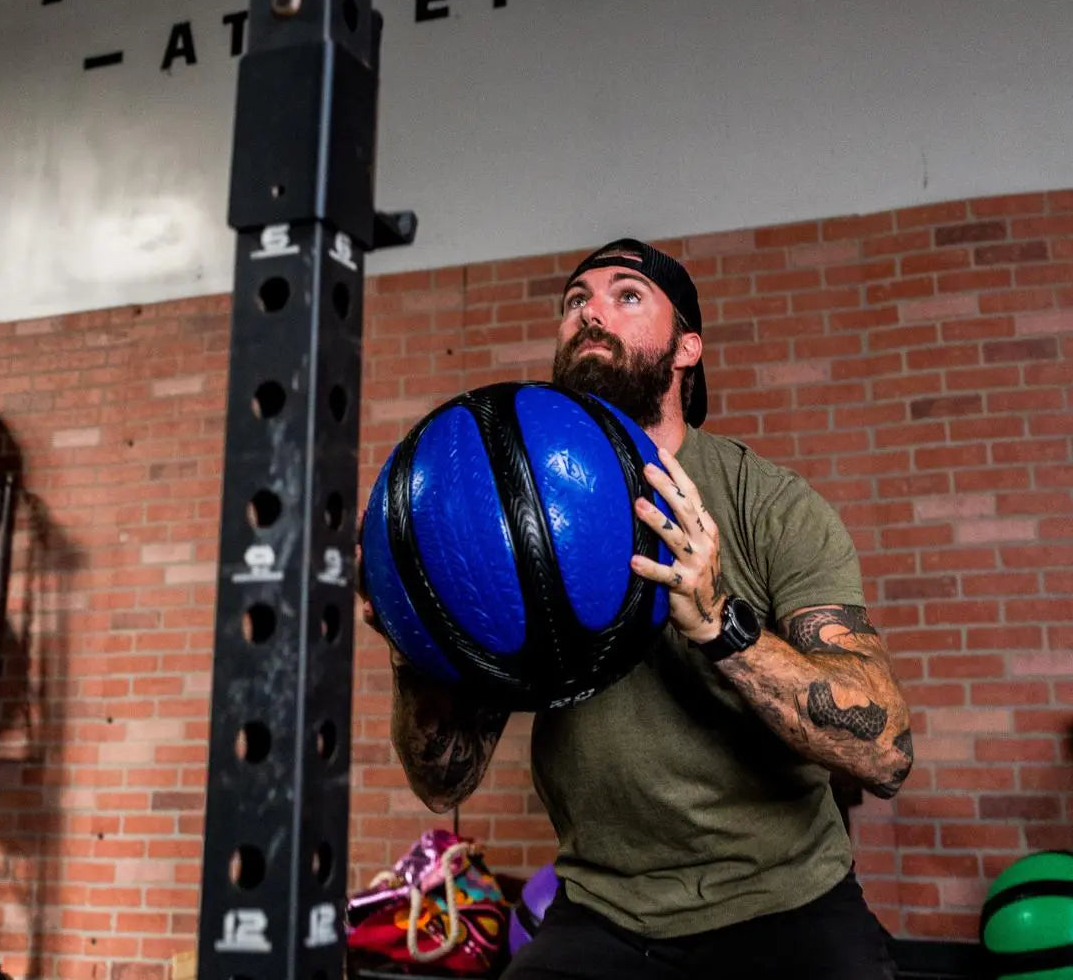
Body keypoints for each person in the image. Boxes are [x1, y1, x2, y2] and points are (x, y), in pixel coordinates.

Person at [358, 238, 913, 979]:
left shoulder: (769, 506)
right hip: (607, 911)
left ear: (687, 348)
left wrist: (720, 624)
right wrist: (414, 641)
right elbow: (444, 783)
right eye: (575, 300)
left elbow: (886, 752)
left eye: (626, 295)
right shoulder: (515, 510)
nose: (590, 313)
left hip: (784, 901)